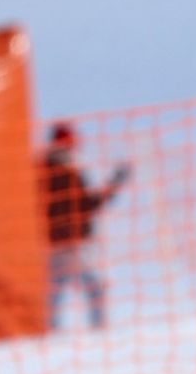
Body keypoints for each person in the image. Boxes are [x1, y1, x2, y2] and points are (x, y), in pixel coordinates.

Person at [41, 121, 131, 330]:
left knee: (55, 294)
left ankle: (49, 335)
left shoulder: (46, 169)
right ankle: (99, 332)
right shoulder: (63, 172)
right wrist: (114, 185)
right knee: (93, 287)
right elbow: (87, 205)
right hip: (72, 242)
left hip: (57, 242)